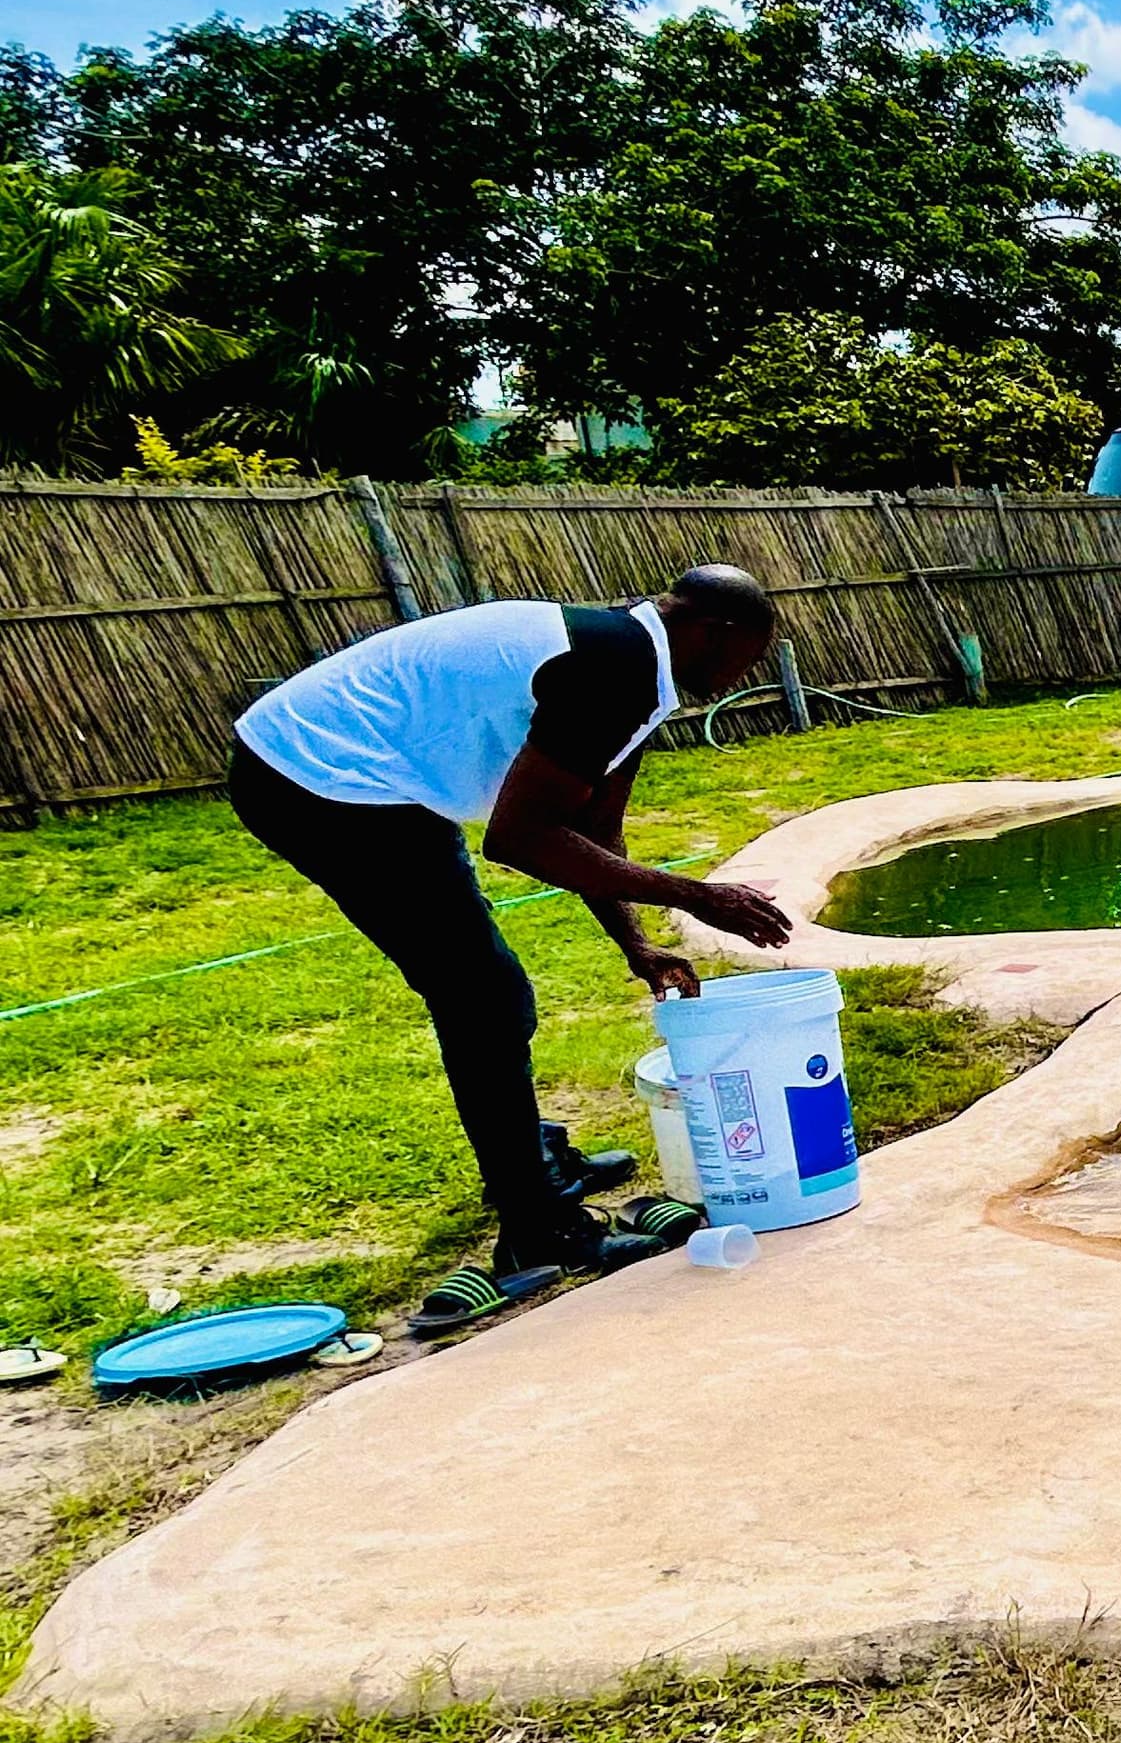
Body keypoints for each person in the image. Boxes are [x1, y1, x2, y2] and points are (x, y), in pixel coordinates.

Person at [229, 565, 799, 1331]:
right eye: (749, 658)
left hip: (374, 779)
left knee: (482, 991)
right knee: (484, 998)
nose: (743, 675)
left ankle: (532, 1162)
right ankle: (539, 1228)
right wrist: (701, 896)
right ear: (714, 632)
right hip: (316, 777)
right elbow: (520, 839)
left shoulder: (635, 661)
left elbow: (591, 829)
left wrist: (638, 945)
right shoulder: (611, 667)